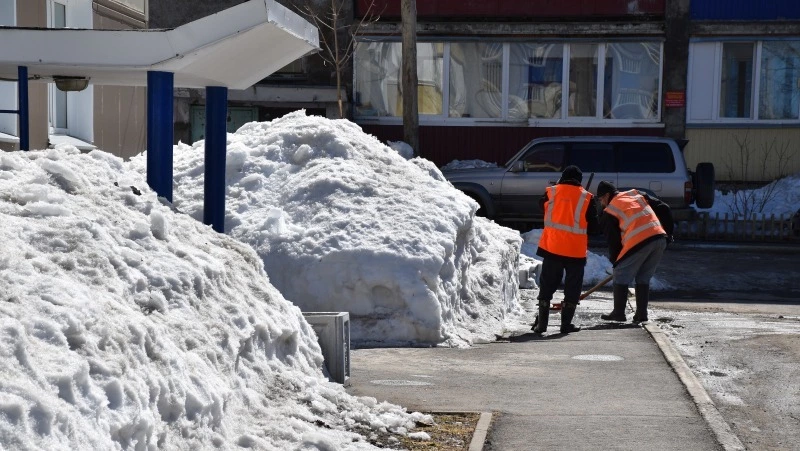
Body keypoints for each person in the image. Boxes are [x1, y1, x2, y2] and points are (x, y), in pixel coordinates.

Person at [533, 165, 599, 335]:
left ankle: (542, 325)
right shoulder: (586, 197)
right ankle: (565, 325)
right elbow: (594, 227)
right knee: (572, 287)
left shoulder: (551, 192)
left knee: (547, 284)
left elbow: (542, 205)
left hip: (552, 246)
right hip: (575, 251)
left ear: (563, 177)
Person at [595, 181, 674, 323]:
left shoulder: (610, 211)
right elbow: (664, 207)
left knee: (620, 276)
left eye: (601, 199)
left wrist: (616, 263)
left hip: (639, 242)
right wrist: (668, 234)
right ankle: (641, 314)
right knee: (643, 277)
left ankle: (618, 313)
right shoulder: (636, 194)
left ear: (607, 195)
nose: (601, 204)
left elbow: (614, 242)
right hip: (659, 238)